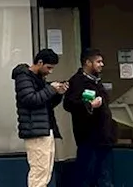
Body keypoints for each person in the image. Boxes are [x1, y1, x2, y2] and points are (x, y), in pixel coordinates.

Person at [14, 48, 68, 187]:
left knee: (45, 171)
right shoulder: (24, 77)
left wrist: (58, 93)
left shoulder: (38, 79)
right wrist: (51, 89)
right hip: (35, 131)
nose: (50, 71)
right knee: (39, 171)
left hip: (44, 128)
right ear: (39, 62)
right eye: (48, 67)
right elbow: (30, 99)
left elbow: (46, 104)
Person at [64, 48, 116, 187]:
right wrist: (89, 105)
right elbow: (69, 105)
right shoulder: (77, 82)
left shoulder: (97, 82)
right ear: (88, 62)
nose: (102, 64)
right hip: (88, 138)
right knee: (86, 175)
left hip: (104, 138)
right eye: (98, 61)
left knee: (104, 177)